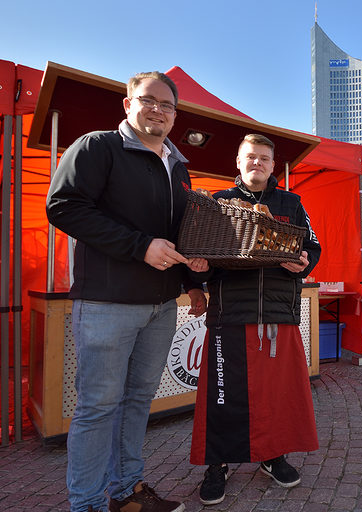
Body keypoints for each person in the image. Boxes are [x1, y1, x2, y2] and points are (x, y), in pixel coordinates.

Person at [46, 71, 209, 512]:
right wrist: (140, 247)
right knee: (98, 408)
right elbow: (62, 206)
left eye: (167, 105)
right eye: (148, 100)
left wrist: (193, 280)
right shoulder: (98, 146)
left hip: (161, 306)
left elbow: (180, 234)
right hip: (106, 303)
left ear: (176, 115)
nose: (157, 109)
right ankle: (86, 504)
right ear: (128, 104)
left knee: (138, 402)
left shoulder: (178, 166)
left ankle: (126, 493)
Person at [189, 134, 322, 506]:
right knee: (220, 398)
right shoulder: (218, 203)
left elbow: (312, 245)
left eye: (264, 158)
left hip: (278, 314)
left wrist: (305, 262)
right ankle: (217, 464)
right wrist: (196, 274)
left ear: (272, 165)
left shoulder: (291, 204)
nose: (257, 163)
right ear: (238, 160)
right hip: (229, 315)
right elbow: (194, 250)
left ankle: (272, 455)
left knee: (276, 397)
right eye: (251, 156)